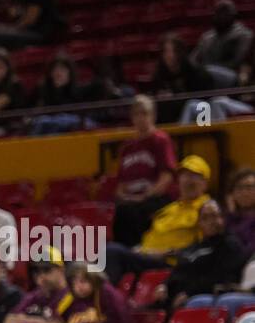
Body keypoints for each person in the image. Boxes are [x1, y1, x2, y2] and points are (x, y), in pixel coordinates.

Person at [104, 155, 213, 284]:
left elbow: (204, 247)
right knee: (82, 264)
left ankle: (105, 299)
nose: (188, 181)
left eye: (195, 176)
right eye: (184, 175)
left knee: (112, 251)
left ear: (205, 183)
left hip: (169, 262)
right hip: (145, 256)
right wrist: (138, 249)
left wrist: (164, 253)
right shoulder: (169, 209)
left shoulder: (207, 209)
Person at [110, 96, 176, 246]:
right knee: (120, 212)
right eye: (136, 114)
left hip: (155, 198)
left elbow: (166, 177)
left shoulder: (161, 140)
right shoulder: (127, 147)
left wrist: (145, 197)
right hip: (131, 201)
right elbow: (120, 185)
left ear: (153, 116)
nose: (140, 118)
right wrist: (124, 197)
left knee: (133, 213)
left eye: (144, 114)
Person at [159, 200, 248, 311]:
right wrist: (164, 285)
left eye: (215, 216)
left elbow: (221, 277)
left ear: (223, 219)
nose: (211, 221)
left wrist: (189, 293)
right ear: (199, 223)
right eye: (205, 218)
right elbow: (177, 271)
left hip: (198, 296)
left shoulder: (229, 245)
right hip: (172, 298)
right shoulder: (192, 248)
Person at [64, 264, 132, 323]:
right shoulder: (74, 300)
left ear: (93, 279)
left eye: (83, 281)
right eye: (74, 283)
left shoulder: (107, 294)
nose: (78, 287)